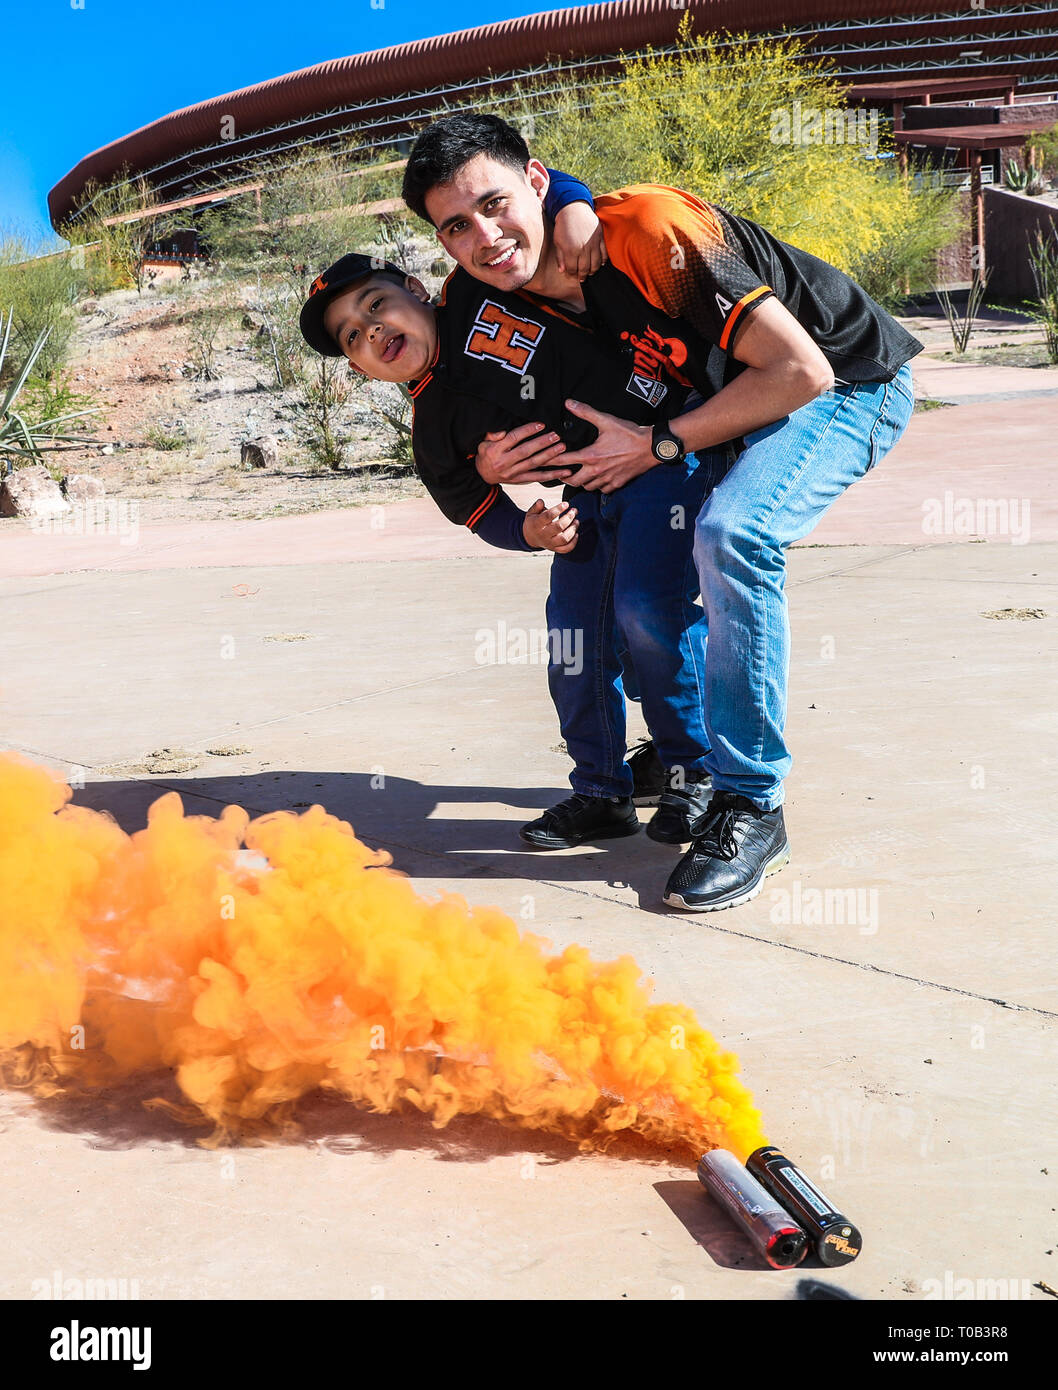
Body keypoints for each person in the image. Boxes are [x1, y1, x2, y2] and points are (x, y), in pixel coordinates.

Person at [401, 112, 923, 911]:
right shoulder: (481, 290)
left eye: (497, 203)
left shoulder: (647, 233)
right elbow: (457, 378)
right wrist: (483, 461)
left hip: (843, 383)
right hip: (714, 411)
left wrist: (659, 445)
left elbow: (799, 370)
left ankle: (749, 803)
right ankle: (670, 759)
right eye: (457, 226)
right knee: (618, 597)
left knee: (734, 534)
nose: (487, 235)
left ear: (537, 181)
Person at [298, 241, 725, 848]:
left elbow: (534, 215)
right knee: (573, 642)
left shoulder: (478, 290)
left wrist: (574, 205)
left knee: (648, 613)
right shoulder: (433, 431)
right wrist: (527, 529)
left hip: (662, 453)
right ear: (359, 370)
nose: (370, 330)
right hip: (585, 496)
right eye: (351, 337)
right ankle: (603, 792)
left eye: (376, 305)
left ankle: (697, 775)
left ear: (418, 290)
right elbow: (474, 508)